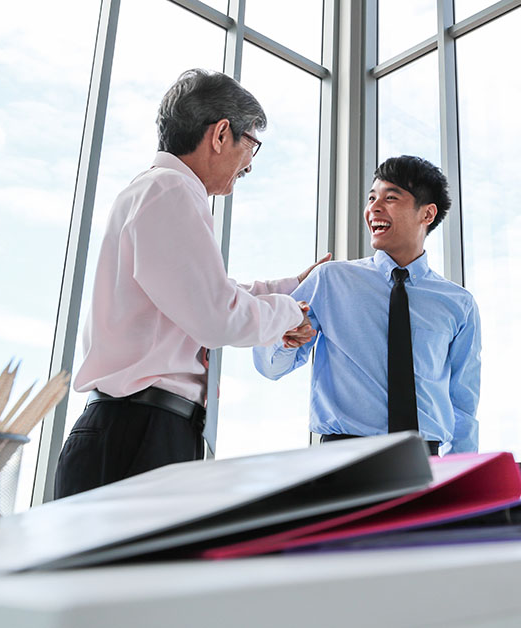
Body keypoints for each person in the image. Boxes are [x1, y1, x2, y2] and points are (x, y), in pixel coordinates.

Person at [54, 69, 327, 498]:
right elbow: (217, 316)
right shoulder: (171, 191)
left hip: (136, 431)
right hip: (139, 435)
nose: (251, 164)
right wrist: (292, 312)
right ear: (221, 134)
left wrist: (292, 287)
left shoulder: (156, 191)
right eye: (251, 145)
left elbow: (210, 294)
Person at [254, 156, 481, 455]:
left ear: (427, 214)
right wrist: (286, 341)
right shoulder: (330, 280)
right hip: (342, 459)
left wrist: (461, 477)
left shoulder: (458, 304)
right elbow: (271, 367)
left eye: (391, 198)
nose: (374, 207)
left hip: (425, 461)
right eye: (372, 197)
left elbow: (462, 404)